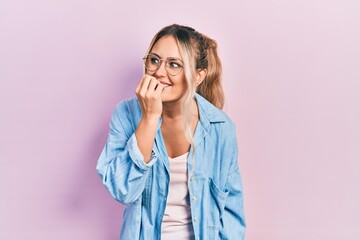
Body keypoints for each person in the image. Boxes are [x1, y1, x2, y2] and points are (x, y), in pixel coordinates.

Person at [96, 24, 246, 240]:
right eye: (154, 60)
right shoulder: (126, 114)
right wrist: (149, 118)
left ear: (198, 76)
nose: (159, 72)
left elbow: (232, 211)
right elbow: (123, 190)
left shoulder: (220, 127)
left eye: (174, 64)